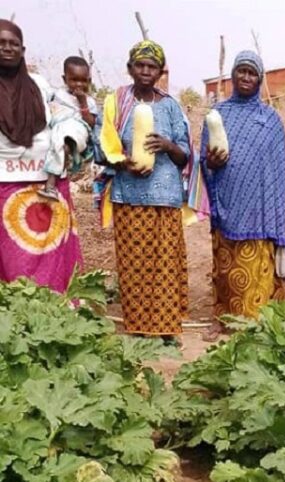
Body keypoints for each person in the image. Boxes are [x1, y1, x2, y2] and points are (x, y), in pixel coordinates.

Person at [95, 40, 192, 341]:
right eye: (140, 65)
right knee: (134, 264)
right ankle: (137, 329)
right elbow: (102, 148)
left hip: (165, 198)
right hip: (129, 195)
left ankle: (165, 332)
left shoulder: (171, 107)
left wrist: (167, 145)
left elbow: (186, 155)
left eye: (152, 66)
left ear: (161, 72)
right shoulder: (117, 102)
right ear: (130, 68)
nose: (146, 71)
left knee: (165, 265)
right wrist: (124, 163)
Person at [200, 50, 285, 342]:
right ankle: (221, 317)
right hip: (227, 201)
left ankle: (255, 320)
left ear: (260, 78)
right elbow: (204, 158)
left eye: (252, 73)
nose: (247, 77)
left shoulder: (271, 120)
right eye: (242, 71)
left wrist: (277, 217)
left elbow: (278, 170)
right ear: (233, 75)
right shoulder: (218, 115)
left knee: (255, 267)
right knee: (225, 266)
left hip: (260, 209)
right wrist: (210, 162)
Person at [0, 19, 83, 293]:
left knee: (53, 259)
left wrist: (70, 138)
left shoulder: (39, 85)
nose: (7, 49)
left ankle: (59, 319)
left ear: (23, 50)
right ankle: (15, 324)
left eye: (13, 44)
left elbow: (67, 116)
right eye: (1, 43)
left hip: (47, 185)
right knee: (11, 259)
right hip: (5, 187)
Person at [39, 56, 97, 200]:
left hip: (77, 130)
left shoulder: (90, 101)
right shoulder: (57, 94)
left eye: (83, 80)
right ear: (65, 79)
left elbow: (91, 123)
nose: (79, 84)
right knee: (54, 145)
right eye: (74, 80)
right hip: (57, 129)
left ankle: (51, 185)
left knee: (63, 145)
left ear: (89, 81)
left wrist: (82, 103)